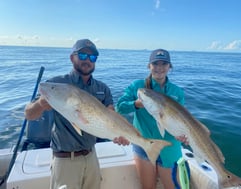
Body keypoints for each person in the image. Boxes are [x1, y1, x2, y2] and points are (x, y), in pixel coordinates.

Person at [24, 39, 129, 189]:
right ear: (72, 57)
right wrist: (40, 104)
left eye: (92, 57)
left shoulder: (102, 88)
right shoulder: (56, 84)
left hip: (92, 157)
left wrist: (118, 134)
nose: (88, 60)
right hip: (65, 160)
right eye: (82, 55)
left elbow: (111, 115)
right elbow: (29, 114)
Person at [116, 49, 186, 189]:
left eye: (164, 64)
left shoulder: (177, 92)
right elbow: (120, 107)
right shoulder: (137, 86)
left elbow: (182, 120)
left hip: (170, 147)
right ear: (149, 66)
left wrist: (183, 135)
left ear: (169, 67)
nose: (159, 68)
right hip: (144, 145)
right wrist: (136, 104)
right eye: (155, 64)